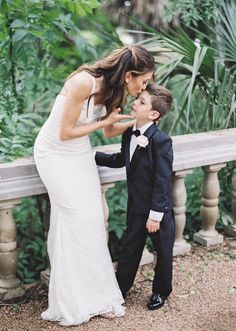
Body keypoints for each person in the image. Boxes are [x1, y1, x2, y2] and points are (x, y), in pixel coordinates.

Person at [34, 45, 155, 326]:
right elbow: (65, 132)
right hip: (54, 154)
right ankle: (70, 300)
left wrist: (135, 120)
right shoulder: (83, 82)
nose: (145, 86)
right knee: (74, 219)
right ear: (129, 75)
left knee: (92, 220)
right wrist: (105, 124)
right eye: (144, 80)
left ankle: (97, 297)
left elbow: (110, 127)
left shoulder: (116, 91)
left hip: (79, 154)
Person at [95, 84, 174, 310]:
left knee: (164, 252)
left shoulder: (161, 141)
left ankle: (161, 291)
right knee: (130, 249)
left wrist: (156, 215)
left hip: (158, 211)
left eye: (141, 102)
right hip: (135, 207)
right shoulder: (130, 132)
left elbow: (163, 180)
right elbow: (122, 159)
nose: (134, 102)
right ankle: (120, 289)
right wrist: (91, 156)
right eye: (137, 99)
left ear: (153, 114)